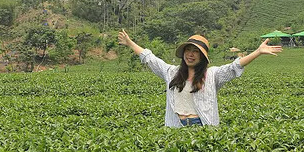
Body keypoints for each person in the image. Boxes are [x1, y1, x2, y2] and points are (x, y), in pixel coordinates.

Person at [118, 30, 282, 127]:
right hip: (176, 125)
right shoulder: (171, 72)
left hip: (201, 125)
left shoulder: (212, 75)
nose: (190, 54)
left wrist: (258, 52)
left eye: (195, 51)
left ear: (202, 57)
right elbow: (150, 58)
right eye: (188, 50)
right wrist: (130, 43)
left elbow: (234, 67)